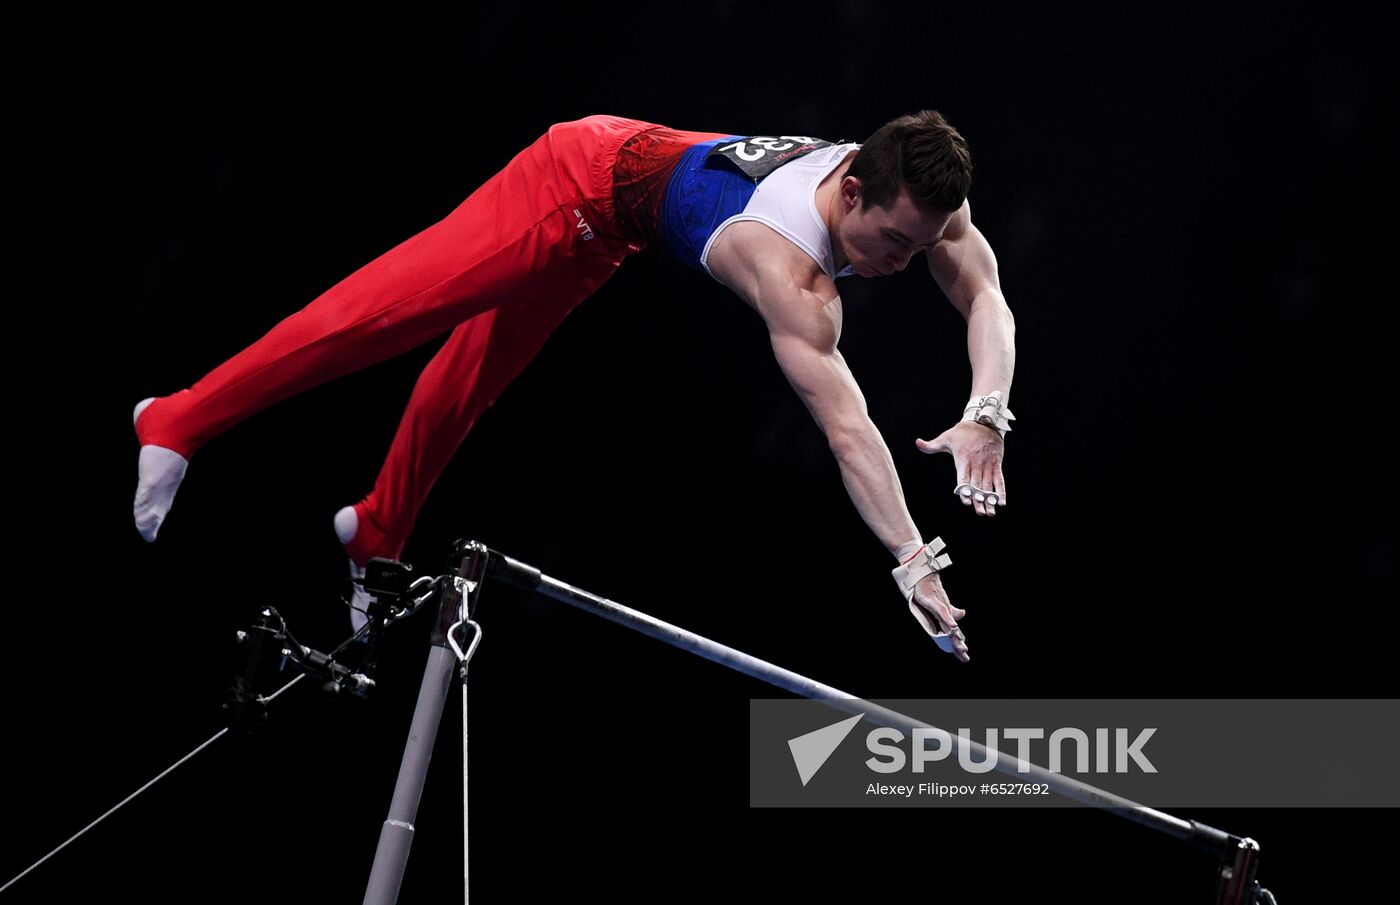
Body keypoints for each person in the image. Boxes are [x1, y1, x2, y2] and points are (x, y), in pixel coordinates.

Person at [131, 112, 1016, 663]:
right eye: (895, 243)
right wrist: (912, 560)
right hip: (568, 185)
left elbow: (985, 294)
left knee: (471, 381)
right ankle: (179, 418)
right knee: (386, 316)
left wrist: (986, 413)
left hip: (606, 234)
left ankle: (377, 526)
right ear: (852, 188)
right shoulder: (788, 271)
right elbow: (849, 428)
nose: (904, 264)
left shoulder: (916, 197)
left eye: (919, 243)